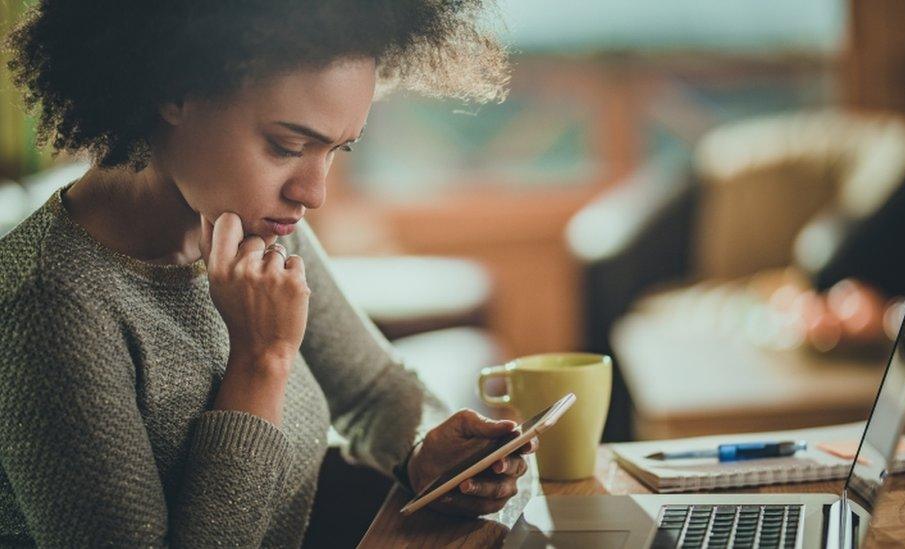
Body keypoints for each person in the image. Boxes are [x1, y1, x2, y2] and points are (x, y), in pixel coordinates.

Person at [0, 1, 533, 546]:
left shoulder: (250, 221)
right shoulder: (48, 307)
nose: (313, 193)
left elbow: (371, 389)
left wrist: (425, 450)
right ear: (173, 91)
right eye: (288, 146)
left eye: (335, 150)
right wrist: (259, 364)